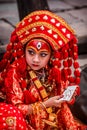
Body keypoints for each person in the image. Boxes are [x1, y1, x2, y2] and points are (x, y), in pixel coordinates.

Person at [0, 10, 87, 130]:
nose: (35, 60)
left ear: (51, 56)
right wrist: (45, 104)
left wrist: (69, 93)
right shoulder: (15, 72)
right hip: (27, 122)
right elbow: (17, 108)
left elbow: (62, 88)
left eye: (43, 54)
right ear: (23, 50)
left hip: (51, 119)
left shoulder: (51, 68)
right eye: (31, 52)